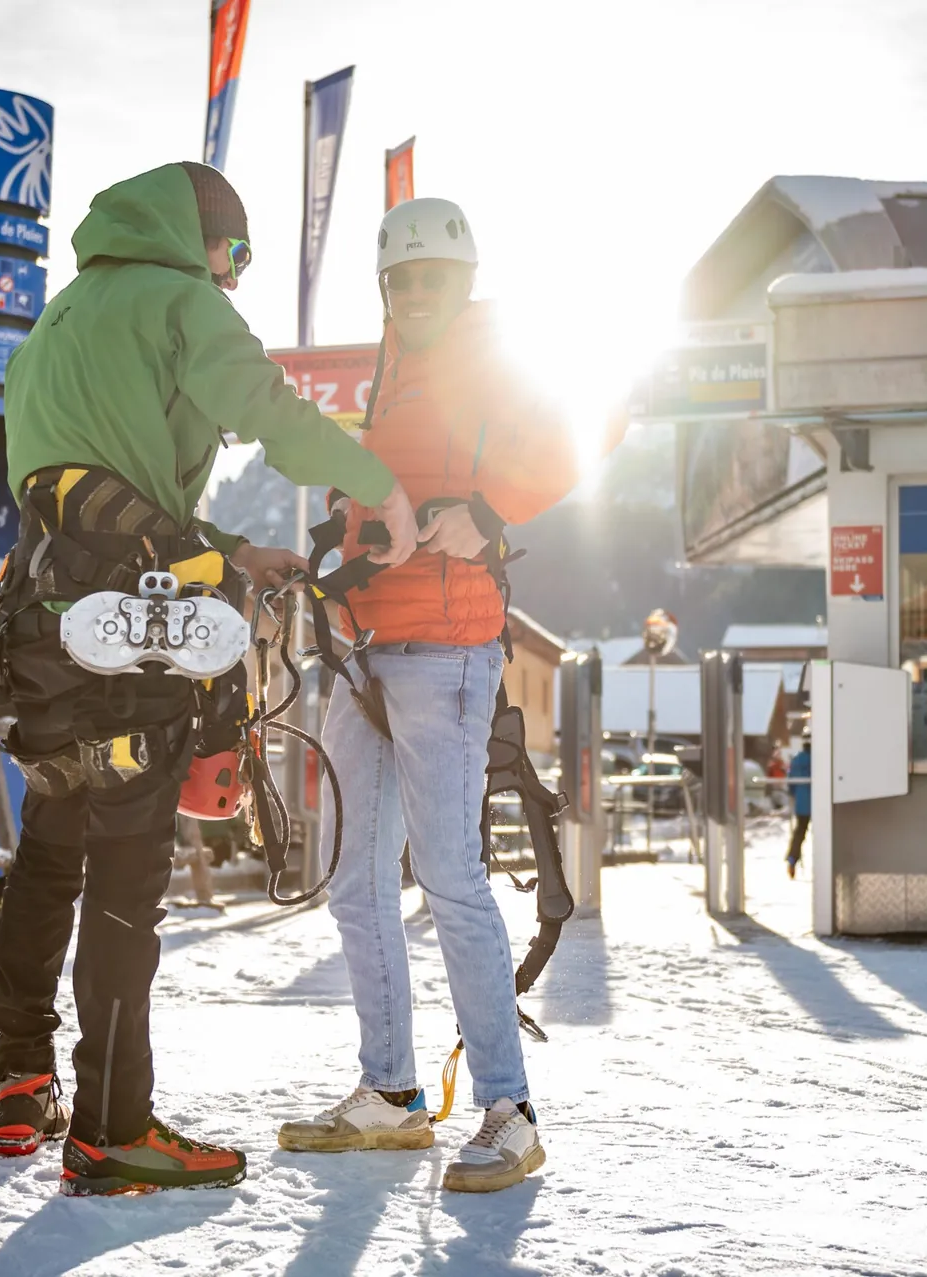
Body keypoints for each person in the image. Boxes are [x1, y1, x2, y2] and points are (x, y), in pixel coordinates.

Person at [0, 161, 418, 1196]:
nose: (236, 277)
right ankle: (113, 1127)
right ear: (203, 239)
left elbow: (84, 488)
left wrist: (224, 546)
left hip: (43, 621)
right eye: (236, 253)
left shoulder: (58, 320)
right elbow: (271, 409)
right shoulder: (182, 302)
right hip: (133, 632)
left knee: (49, 853)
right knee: (128, 881)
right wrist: (381, 487)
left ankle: (21, 1081)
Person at [276, 197, 622, 1193]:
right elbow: (375, 485)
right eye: (400, 279)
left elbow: (604, 412)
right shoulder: (388, 366)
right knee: (352, 878)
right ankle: (389, 1093)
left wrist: (491, 506)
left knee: (451, 875)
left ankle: (509, 1111)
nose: (415, 293)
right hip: (363, 650)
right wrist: (343, 534)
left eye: (432, 278)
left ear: (463, 282)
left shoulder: (498, 351)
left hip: (450, 651)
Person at [786, 733, 812, 878]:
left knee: (799, 832)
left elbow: (791, 783)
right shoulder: (819, 759)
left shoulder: (796, 760)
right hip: (819, 804)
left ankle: (792, 860)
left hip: (802, 803)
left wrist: (794, 794)